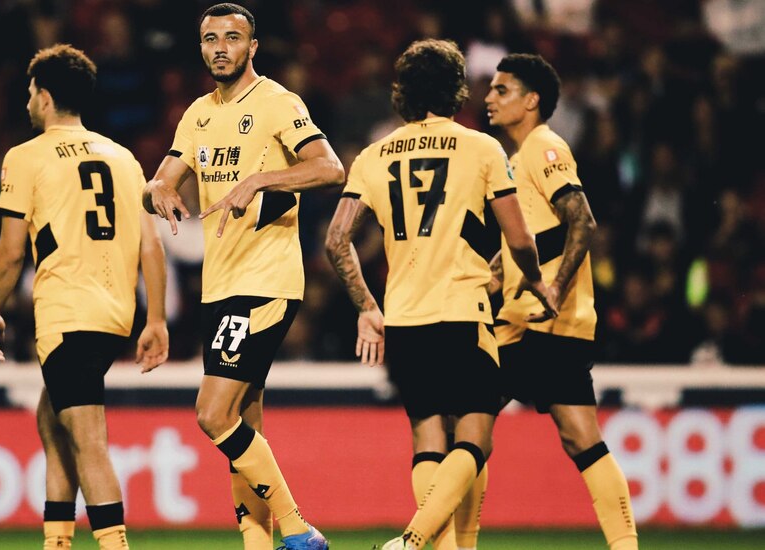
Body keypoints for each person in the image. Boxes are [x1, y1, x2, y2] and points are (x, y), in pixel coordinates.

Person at [323, 39, 556, 550]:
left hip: (405, 317)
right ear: (456, 90)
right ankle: (412, 541)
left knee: (429, 437)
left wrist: (367, 307)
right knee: (475, 436)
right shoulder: (481, 147)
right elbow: (519, 239)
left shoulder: (374, 153)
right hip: (463, 310)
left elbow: (336, 239)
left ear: (402, 92)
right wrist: (537, 282)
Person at [143, 4, 344, 549]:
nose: (221, 48)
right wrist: (157, 189)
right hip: (221, 284)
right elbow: (162, 179)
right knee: (242, 423)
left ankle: (301, 533)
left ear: (253, 46)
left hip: (265, 281)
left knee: (212, 414)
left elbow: (330, 168)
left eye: (233, 38)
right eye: (210, 39)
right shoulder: (197, 113)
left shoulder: (278, 102)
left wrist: (261, 178)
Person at [0, 44, 169, 550]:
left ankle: (114, 544)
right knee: (52, 418)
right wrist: (157, 319)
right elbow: (151, 244)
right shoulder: (122, 157)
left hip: (67, 311)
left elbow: (9, 252)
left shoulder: (26, 156)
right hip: (115, 312)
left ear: (43, 97)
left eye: (29, 92)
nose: (27, 101)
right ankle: (58, 541)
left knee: (88, 440)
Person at [483, 53, 638, 550]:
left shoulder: (544, 147)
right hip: (532, 320)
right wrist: (493, 274)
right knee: (580, 439)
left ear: (532, 101)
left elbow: (581, 219)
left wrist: (554, 286)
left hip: (540, 321)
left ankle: (425, 540)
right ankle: (625, 545)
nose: (489, 97)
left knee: (459, 426)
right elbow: (538, 236)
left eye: (502, 90)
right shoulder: (516, 157)